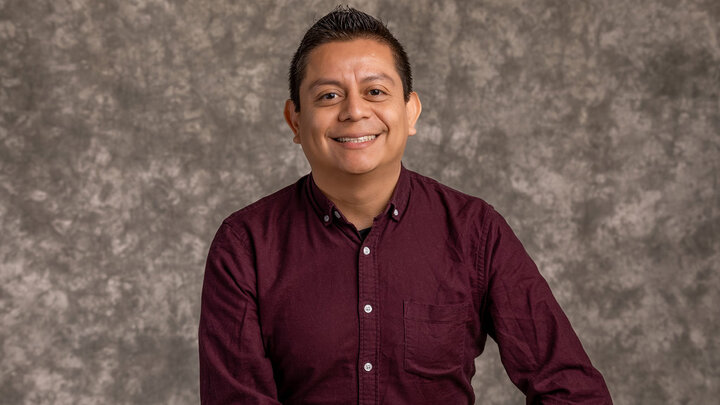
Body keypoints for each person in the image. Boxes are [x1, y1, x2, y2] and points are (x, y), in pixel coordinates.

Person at [198, 6, 612, 404]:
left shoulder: (474, 231)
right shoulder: (245, 245)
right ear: (295, 121)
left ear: (410, 111)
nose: (355, 111)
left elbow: (571, 390)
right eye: (328, 96)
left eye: (375, 91)